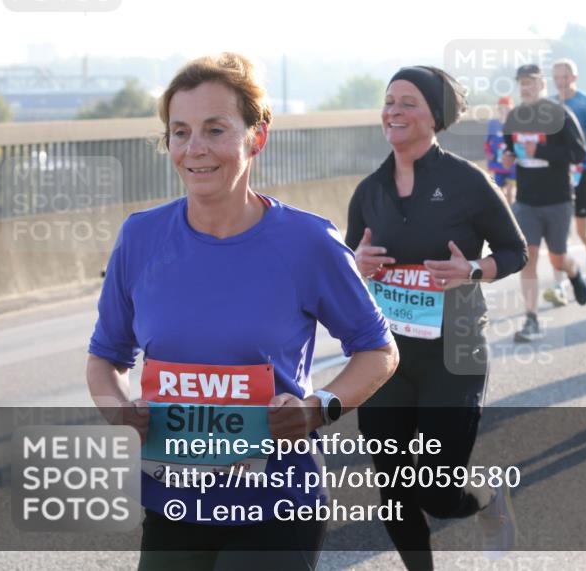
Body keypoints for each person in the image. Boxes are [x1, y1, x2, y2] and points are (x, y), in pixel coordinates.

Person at [86, 52, 399, 570]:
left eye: (215, 129)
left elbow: (378, 351)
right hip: (173, 501)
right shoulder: (140, 237)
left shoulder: (306, 241)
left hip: (276, 505)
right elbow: (106, 356)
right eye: (180, 132)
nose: (195, 149)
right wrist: (117, 410)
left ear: (257, 136)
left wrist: (319, 407)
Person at [347, 65, 528, 568]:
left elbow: (516, 252)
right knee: (395, 488)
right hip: (387, 359)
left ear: (435, 116)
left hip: (455, 350)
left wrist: (471, 269)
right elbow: (348, 260)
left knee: (437, 488)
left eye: (408, 102)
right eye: (389, 101)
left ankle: (487, 497)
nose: (393, 111)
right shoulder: (370, 191)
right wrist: (357, 265)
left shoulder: (467, 183)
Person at [503, 63, 586, 343]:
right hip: (527, 201)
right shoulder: (514, 118)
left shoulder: (559, 115)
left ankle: (574, 272)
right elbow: (510, 147)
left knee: (557, 258)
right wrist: (509, 157)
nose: (526, 87)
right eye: (522, 83)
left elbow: (578, 153)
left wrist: (540, 149)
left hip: (558, 200)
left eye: (531, 82)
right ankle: (531, 318)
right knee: (528, 257)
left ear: (543, 85)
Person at [542, 58, 586, 307]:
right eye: (556, 77)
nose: (560, 81)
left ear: (574, 78)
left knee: (581, 230)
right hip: (557, 175)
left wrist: (571, 135)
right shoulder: (548, 105)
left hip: (582, 171)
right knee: (559, 233)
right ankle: (558, 285)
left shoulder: (585, 102)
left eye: (564, 77)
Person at [485, 96, 516, 204]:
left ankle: (511, 213)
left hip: (512, 163)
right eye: (501, 108)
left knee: (511, 190)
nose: (504, 110)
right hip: (498, 162)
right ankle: (504, 210)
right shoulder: (493, 123)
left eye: (507, 108)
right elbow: (487, 141)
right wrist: (489, 153)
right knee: (499, 190)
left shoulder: (516, 123)